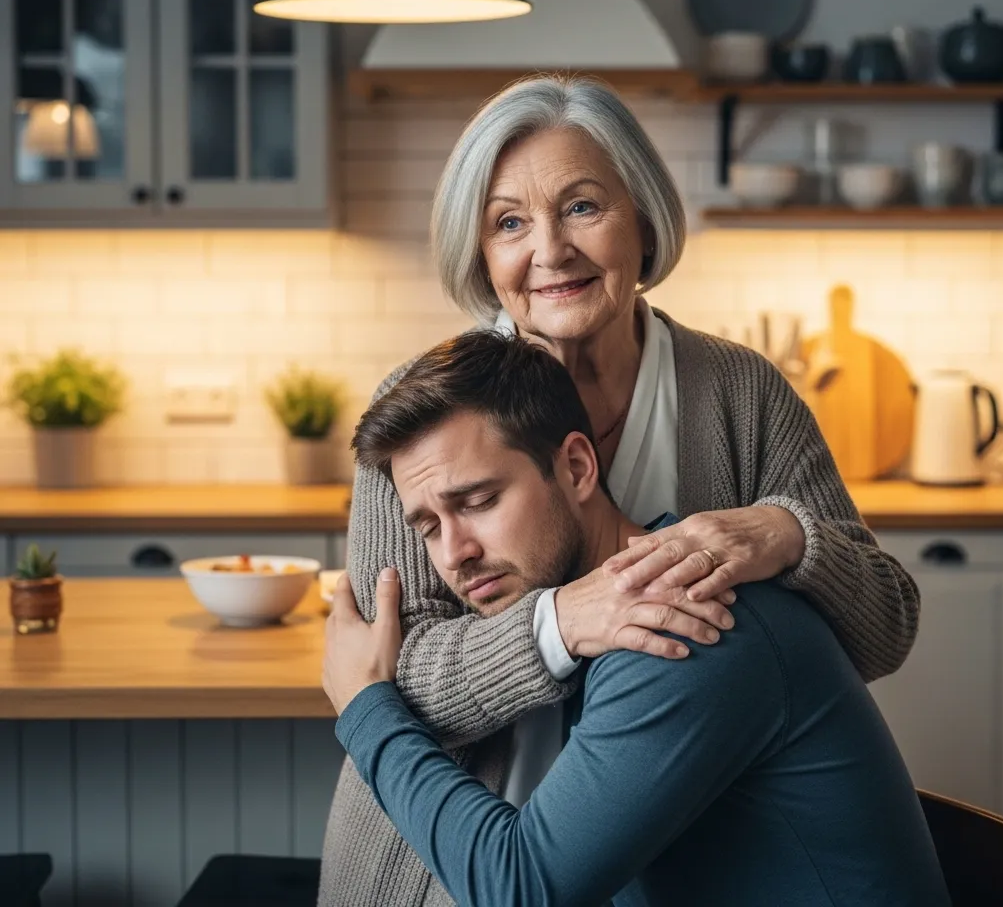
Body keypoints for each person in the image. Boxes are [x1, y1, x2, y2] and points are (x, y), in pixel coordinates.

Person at [318, 75, 920, 907]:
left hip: (650, 849)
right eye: (508, 223)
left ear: (641, 219)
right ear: (482, 256)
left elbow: (884, 629)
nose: (549, 251)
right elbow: (382, 664)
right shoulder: (424, 421)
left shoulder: (738, 391)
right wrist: (561, 626)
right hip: (445, 857)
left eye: (582, 207)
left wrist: (788, 534)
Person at [322, 331, 948, 907]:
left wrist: (366, 707)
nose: (455, 553)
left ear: (576, 467)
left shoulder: (680, 614)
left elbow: (518, 888)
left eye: (480, 501)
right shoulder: (604, 617)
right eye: (428, 527)